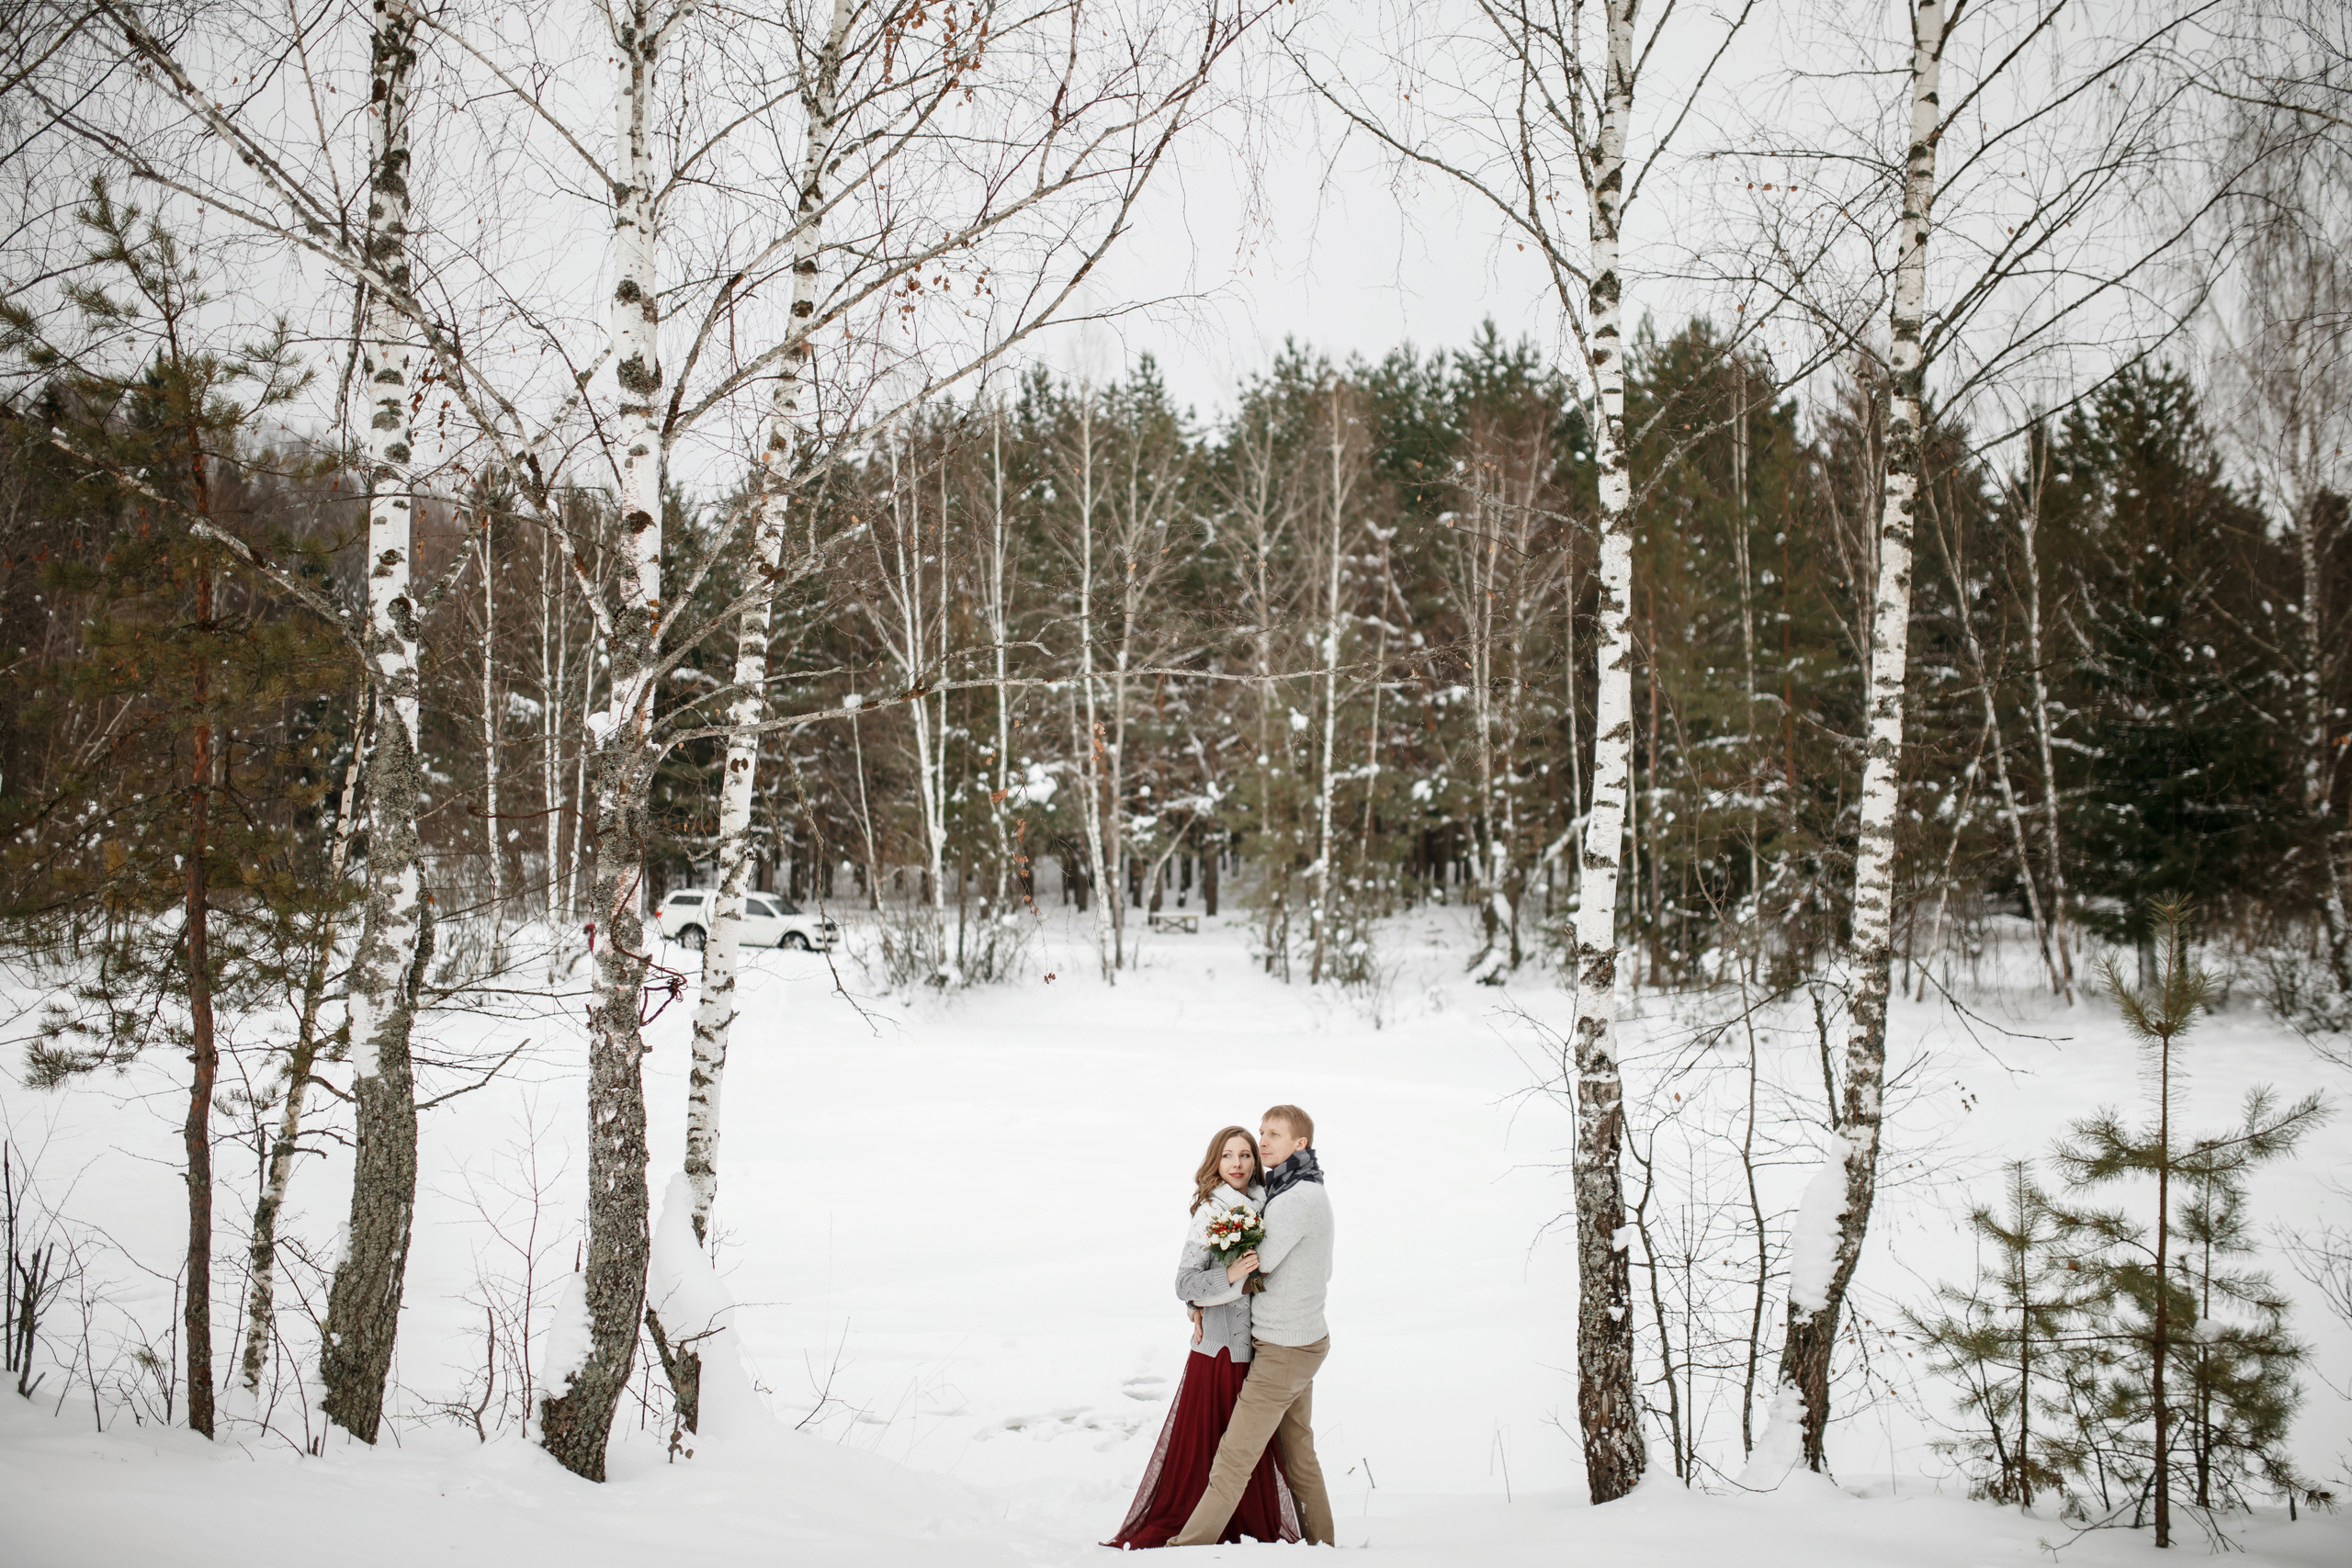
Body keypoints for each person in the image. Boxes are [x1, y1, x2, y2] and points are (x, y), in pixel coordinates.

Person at [1107, 1126, 1302, 1549]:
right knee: (1214, 1448)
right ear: (1216, 1162)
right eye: (1229, 1156)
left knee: (1246, 1448)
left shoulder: (1263, 1207)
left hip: (1257, 1348)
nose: (1238, 1164)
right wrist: (1226, 1278)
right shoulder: (1211, 1211)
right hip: (1217, 1352)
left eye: (1246, 1156)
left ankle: (1248, 1527)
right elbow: (1184, 1283)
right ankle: (1202, 1527)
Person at [1170, 1104, 1335, 1548]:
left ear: (1299, 1144)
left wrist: (1203, 1294)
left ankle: (1187, 1549)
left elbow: (1254, 1267)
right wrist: (1196, 1298)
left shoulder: (1294, 1199)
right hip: (1298, 1339)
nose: (1262, 1143)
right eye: (1261, 1132)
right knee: (1298, 1455)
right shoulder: (1289, 1190)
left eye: (1272, 1135)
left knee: (1233, 1458)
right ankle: (1324, 1548)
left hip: (1284, 1348)